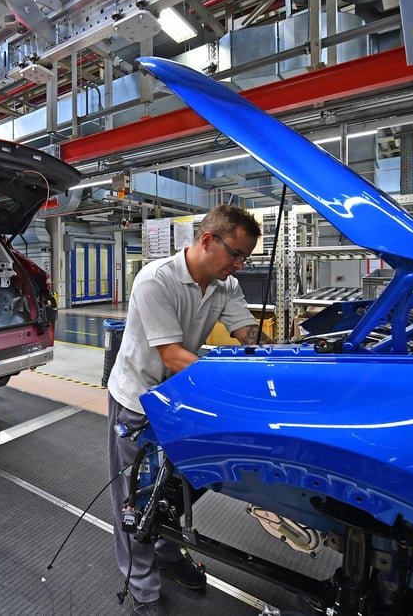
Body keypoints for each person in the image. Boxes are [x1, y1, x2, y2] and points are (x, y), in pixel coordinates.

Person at [106, 205, 262, 614]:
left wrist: (263, 351)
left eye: (245, 257)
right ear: (208, 240)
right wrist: (233, 386)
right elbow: (173, 355)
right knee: (135, 498)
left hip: (180, 397)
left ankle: (167, 552)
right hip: (137, 400)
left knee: (178, 484)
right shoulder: (155, 280)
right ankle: (142, 586)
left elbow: (246, 333)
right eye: (235, 254)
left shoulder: (223, 284)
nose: (239, 264)